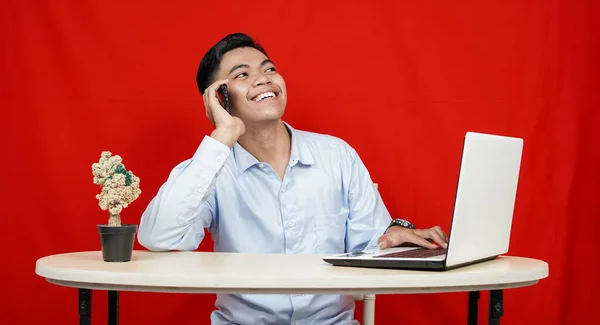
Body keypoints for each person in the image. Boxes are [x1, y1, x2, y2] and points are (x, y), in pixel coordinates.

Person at [138, 33, 448, 325]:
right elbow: (159, 237)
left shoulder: (336, 155)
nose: (263, 79)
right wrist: (223, 134)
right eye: (242, 75)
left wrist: (388, 241)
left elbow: (367, 248)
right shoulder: (210, 169)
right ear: (219, 98)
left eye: (269, 68)